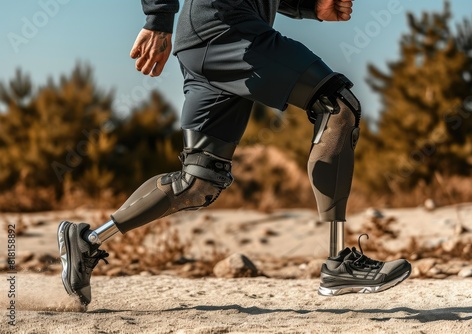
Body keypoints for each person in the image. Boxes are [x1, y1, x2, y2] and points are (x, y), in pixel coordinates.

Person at [57, 0, 412, 307]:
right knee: (337, 105)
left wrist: (308, 7)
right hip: (226, 27)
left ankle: (87, 239)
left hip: (205, 39)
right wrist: (157, 18)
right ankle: (338, 265)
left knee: (197, 181)